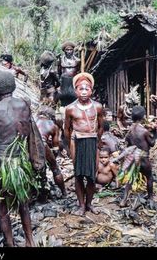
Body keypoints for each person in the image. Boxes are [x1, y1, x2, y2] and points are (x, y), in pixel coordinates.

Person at [0, 71, 42, 247]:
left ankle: (9, 243)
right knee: (23, 204)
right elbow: (28, 129)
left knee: (2, 208)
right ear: (13, 87)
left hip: (1, 162)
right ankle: (30, 241)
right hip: (21, 160)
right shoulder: (24, 104)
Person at [64, 72, 104, 216]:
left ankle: (89, 204)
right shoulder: (70, 109)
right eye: (81, 89)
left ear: (91, 91)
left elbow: (101, 126)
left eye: (87, 89)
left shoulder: (98, 107)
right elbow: (67, 129)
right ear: (75, 90)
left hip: (92, 141)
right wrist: (70, 147)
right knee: (79, 175)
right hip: (77, 142)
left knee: (92, 175)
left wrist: (97, 142)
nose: (84, 92)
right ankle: (81, 205)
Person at [112, 106, 157, 208]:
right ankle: (150, 197)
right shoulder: (144, 131)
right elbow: (152, 144)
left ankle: (123, 201)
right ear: (143, 117)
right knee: (149, 177)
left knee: (130, 179)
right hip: (143, 158)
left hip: (133, 158)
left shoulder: (130, 130)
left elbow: (127, 143)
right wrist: (155, 133)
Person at [36, 105, 66, 197]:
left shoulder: (32, 120)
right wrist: (53, 159)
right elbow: (56, 147)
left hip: (29, 145)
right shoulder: (53, 126)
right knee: (55, 169)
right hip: (43, 145)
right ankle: (64, 193)